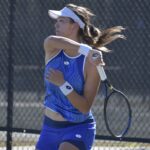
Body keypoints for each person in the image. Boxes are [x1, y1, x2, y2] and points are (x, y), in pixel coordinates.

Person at [36, 3, 125, 150]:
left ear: (74, 25)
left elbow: (84, 107)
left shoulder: (91, 64)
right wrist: (87, 50)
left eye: (62, 20)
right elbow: (52, 40)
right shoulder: (51, 46)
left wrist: (63, 84)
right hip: (49, 128)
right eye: (57, 21)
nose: (56, 24)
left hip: (78, 129)